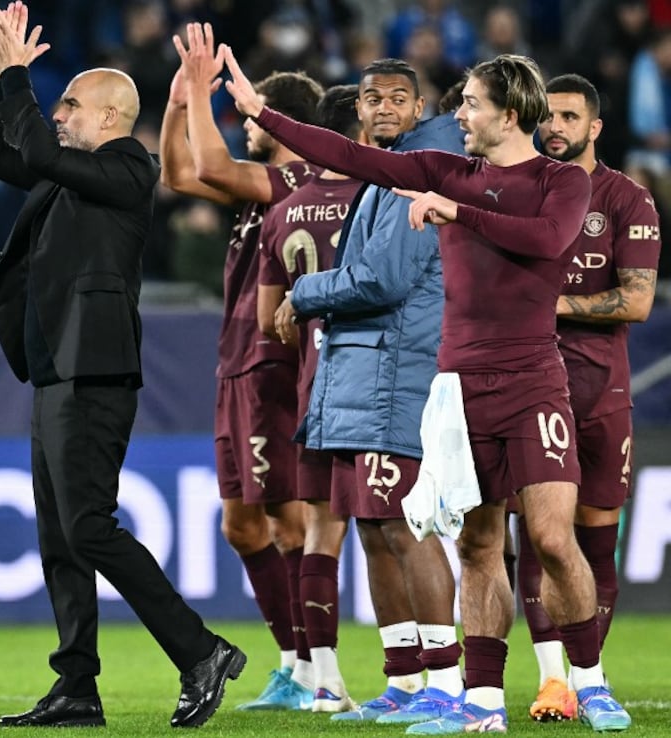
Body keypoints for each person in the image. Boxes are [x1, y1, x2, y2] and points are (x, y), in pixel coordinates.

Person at [222, 50, 631, 733]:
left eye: (470, 103)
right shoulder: (445, 171)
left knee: (554, 541)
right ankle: (482, 702)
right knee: (475, 545)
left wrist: (457, 213)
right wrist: (264, 113)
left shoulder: (560, 183)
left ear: (508, 112)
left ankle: (589, 682)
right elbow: (353, 159)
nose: (458, 114)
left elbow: (547, 240)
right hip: (456, 391)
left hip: (533, 384)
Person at [0, 3, 244, 729]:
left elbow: (36, 151)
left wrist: (22, 76)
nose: (57, 115)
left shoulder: (128, 166)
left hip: (92, 369)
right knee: (60, 537)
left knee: (88, 527)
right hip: (56, 365)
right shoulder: (67, 175)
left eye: (70, 105)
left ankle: (200, 652)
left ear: (112, 116)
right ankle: (76, 685)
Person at [272, 62, 464, 725]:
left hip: (395, 376)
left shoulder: (426, 170)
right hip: (363, 374)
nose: (383, 107)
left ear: (418, 109)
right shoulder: (388, 173)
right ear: (358, 109)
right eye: (372, 98)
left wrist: (303, 293)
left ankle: (446, 681)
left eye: (398, 99)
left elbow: (381, 280)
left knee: (405, 529)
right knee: (378, 533)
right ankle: (405, 679)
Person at [157, 21, 318, 713]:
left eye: (253, 113)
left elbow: (215, 166)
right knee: (243, 525)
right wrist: (174, 106)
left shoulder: (296, 179)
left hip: (270, 365)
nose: (243, 122)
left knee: (285, 519)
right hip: (235, 364)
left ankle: (315, 664)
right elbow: (178, 175)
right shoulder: (262, 186)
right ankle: (296, 661)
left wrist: (200, 90)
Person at [521, 73, 661, 723]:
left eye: (569, 117)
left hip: (600, 387)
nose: (555, 127)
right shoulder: (519, 192)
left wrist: (546, 302)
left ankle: (583, 679)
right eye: (547, 116)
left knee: (596, 540)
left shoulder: (627, 200)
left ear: (594, 127)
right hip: (526, 384)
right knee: (539, 533)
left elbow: (634, 300)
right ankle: (555, 681)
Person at [256, 82, 364, 715]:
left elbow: (271, 319)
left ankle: (323, 681)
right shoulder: (381, 199)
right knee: (396, 534)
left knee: (320, 533)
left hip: (313, 389)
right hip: (378, 386)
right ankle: (415, 679)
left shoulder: (284, 211)